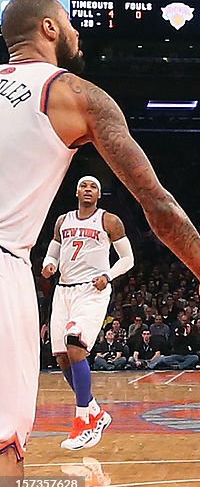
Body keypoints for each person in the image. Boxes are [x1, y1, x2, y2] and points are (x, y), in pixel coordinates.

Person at [0, 0, 200, 487]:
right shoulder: (74, 95)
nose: (77, 34)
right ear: (48, 28)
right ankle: (86, 412)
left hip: (60, 277)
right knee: (4, 451)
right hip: (4, 263)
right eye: (69, 24)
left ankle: (88, 410)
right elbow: (156, 203)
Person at [42, 176, 134, 449]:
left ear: (99, 194)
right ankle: (96, 411)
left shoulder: (109, 221)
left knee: (75, 344)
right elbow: (53, 252)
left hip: (92, 289)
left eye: (93, 186)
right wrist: (48, 265)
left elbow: (128, 258)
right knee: (61, 357)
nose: (88, 189)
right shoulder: (63, 221)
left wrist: (108, 275)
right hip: (63, 290)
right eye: (83, 185)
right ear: (76, 191)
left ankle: (84, 422)